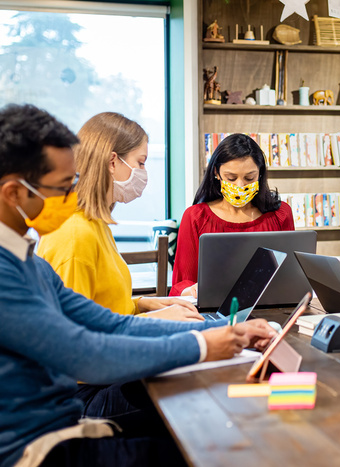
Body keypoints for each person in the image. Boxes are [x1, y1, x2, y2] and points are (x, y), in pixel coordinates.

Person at [0, 104, 277, 467]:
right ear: (14, 194)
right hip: (40, 449)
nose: (73, 193)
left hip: (62, 425)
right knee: (217, 443)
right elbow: (85, 354)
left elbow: (110, 321)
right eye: (63, 186)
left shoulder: (28, 261)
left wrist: (226, 331)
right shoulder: (10, 271)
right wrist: (204, 343)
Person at [37, 112, 200, 321]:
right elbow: (73, 333)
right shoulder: (74, 234)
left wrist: (142, 304)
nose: (144, 172)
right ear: (112, 162)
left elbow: (103, 306)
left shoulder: (94, 224)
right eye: (141, 163)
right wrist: (157, 319)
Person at [171, 133, 294, 297]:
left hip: (269, 309)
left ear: (260, 174)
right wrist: (191, 290)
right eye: (231, 178)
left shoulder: (280, 214)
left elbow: (292, 276)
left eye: (250, 178)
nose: (240, 185)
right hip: (212, 314)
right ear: (216, 173)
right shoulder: (195, 217)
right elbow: (181, 283)